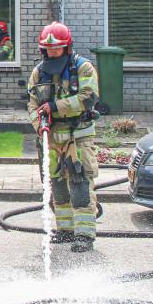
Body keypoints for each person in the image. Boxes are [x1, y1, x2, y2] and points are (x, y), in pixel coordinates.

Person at [26, 21, 100, 253]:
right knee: (57, 184)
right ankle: (66, 230)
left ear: (66, 47)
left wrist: (55, 107)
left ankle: (85, 234)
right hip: (51, 137)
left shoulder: (83, 68)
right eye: (49, 49)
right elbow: (32, 105)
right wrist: (40, 125)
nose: (53, 53)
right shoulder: (38, 73)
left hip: (78, 135)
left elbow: (88, 98)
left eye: (57, 49)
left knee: (79, 182)